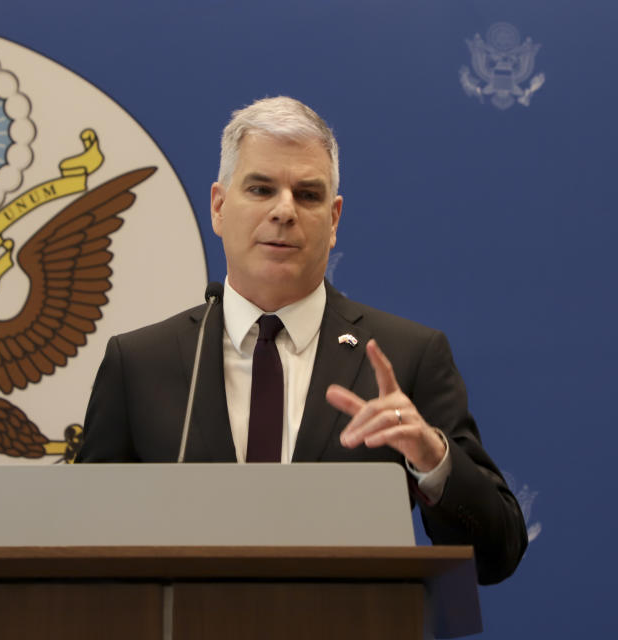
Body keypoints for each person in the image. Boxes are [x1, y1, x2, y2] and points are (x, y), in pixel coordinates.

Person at [78, 96, 527, 585]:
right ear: (219, 207)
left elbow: (496, 554)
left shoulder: (407, 358)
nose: (284, 211)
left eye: (308, 195)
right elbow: (79, 547)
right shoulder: (139, 364)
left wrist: (432, 459)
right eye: (261, 188)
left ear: (334, 220)